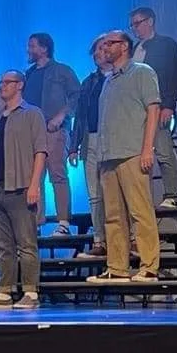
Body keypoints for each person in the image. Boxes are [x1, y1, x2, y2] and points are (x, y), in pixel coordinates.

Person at [87, 31, 162, 284]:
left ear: (125, 46)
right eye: (103, 44)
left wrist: (147, 149)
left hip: (132, 153)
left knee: (140, 212)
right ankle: (117, 267)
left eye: (110, 44)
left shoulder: (142, 72)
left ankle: (149, 266)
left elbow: (153, 110)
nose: (104, 48)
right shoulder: (108, 81)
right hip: (108, 157)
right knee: (113, 216)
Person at [0, 71, 47, 310]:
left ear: (20, 85)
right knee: (3, 245)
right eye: (1, 82)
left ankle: (30, 292)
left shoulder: (32, 114)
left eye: (7, 82)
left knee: (26, 243)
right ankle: (4, 292)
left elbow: (40, 151)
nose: (3, 86)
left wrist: (35, 184)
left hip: (21, 187)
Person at [23, 33, 80, 234]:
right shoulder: (28, 75)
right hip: (31, 133)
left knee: (57, 173)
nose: (28, 50)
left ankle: (63, 222)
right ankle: (36, 223)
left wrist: (60, 117)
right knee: (33, 178)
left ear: (44, 48)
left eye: (32, 46)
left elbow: (77, 96)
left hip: (53, 130)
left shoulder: (62, 71)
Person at [130, 7, 177, 208]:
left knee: (163, 149)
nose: (134, 28)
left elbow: (174, 74)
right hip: (136, 111)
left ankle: (172, 193)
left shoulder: (166, 45)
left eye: (138, 23)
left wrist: (168, 105)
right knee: (138, 154)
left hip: (159, 105)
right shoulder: (134, 49)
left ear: (150, 21)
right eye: (132, 24)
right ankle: (144, 196)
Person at [68, 36, 110, 259]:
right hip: (90, 139)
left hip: (114, 140)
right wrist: (73, 146)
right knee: (95, 195)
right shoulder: (89, 82)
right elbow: (80, 117)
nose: (98, 53)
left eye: (102, 48)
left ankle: (129, 240)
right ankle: (99, 240)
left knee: (116, 194)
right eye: (95, 50)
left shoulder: (121, 77)